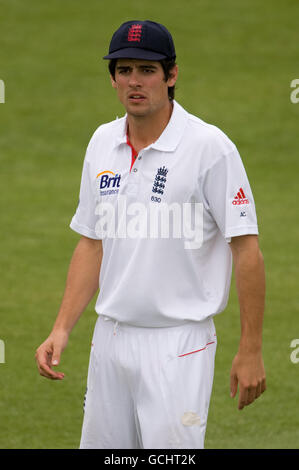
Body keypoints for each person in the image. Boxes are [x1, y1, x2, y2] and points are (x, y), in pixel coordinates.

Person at [35, 20, 266, 449]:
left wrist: (250, 348)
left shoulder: (210, 148)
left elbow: (247, 249)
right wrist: (62, 328)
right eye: (124, 70)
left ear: (171, 75)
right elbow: (92, 241)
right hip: (111, 338)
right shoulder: (102, 142)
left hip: (179, 345)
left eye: (146, 70)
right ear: (112, 78)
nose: (134, 82)